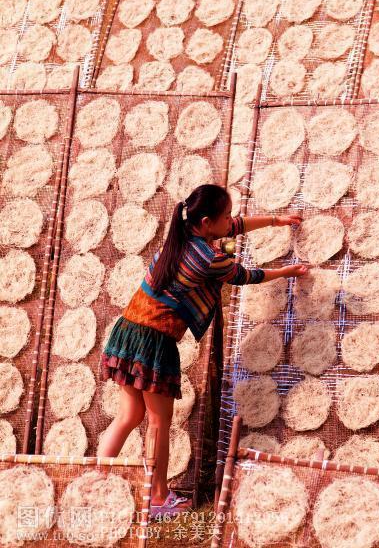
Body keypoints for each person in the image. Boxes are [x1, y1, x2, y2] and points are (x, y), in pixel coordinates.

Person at [98, 184, 307, 517]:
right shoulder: (209, 258)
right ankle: (159, 498)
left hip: (128, 330)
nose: (231, 221)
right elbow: (245, 276)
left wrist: (275, 220)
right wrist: (287, 271)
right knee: (157, 422)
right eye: (225, 216)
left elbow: (233, 227)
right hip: (153, 341)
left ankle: (93, 483)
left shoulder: (179, 237)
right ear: (207, 222)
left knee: (129, 416)